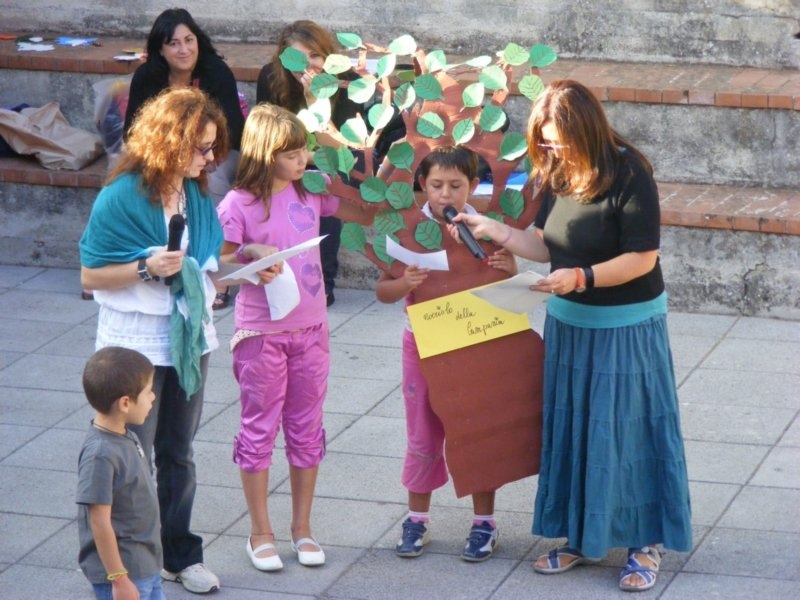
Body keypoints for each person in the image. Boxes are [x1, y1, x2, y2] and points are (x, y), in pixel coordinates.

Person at [453, 80, 692, 591]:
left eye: (558, 140)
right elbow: (546, 244)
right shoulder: (558, 170)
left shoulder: (630, 171)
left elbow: (642, 257)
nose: (551, 149)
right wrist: (496, 231)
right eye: (544, 141)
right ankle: (584, 537)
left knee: (627, 433)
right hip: (569, 324)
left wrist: (581, 278)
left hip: (625, 325)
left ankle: (644, 542)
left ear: (585, 129)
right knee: (577, 432)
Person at [216, 103, 376, 572]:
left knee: (307, 430)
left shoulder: (313, 188)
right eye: (292, 153)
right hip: (260, 334)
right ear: (265, 154)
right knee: (259, 429)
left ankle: (302, 529)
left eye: (304, 149)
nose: (303, 159)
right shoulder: (237, 203)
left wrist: (360, 162)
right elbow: (218, 263)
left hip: (312, 330)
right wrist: (249, 252)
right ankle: (259, 533)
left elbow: (367, 213)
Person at [80, 87, 227, 595]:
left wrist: (244, 264)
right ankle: (125, 565)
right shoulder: (121, 195)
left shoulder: (196, 193)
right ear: (170, 142)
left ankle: (180, 555)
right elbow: (90, 275)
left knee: (179, 451)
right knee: (132, 457)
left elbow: (202, 263)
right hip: (134, 343)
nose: (209, 158)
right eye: (201, 147)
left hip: (187, 337)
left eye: (212, 147)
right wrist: (145, 267)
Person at [375, 146, 519, 562]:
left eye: (456, 186)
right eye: (436, 185)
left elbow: (510, 288)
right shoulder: (407, 230)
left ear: (473, 186)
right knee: (421, 433)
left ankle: (484, 522)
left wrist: (510, 269)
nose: (445, 195)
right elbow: (383, 291)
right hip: (422, 346)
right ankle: (416, 518)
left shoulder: (488, 229)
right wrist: (404, 283)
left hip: (475, 346)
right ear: (422, 184)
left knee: (479, 432)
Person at [125, 7, 245, 310]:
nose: (184, 50)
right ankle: (132, 260)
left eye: (189, 40)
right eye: (174, 43)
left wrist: (202, 156)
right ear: (160, 50)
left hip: (215, 153)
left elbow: (232, 129)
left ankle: (215, 270)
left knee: (213, 180)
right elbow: (132, 132)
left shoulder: (215, 72)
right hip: (161, 155)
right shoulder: (147, 77)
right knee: (126, 178)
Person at [256, 19, 372, 307]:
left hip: (335, 159)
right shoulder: (271, 77)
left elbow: (339, 149)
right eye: (298, 57)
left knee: (323, 183)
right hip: (284, 158)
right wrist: (296, 159)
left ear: (327, 56)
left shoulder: (347, 81)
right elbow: (265, 137)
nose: (308, 66)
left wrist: (314, 102)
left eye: (315, 55)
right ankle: (275, 275)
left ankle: (323, 282)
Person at [77, 347, 162, 600]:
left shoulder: (125, 434)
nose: (154, 397)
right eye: (148, 392)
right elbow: (99, 521)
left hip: (145, 563)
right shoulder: (100, 454)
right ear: (125, 403)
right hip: (126, 572)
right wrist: (119, 578)